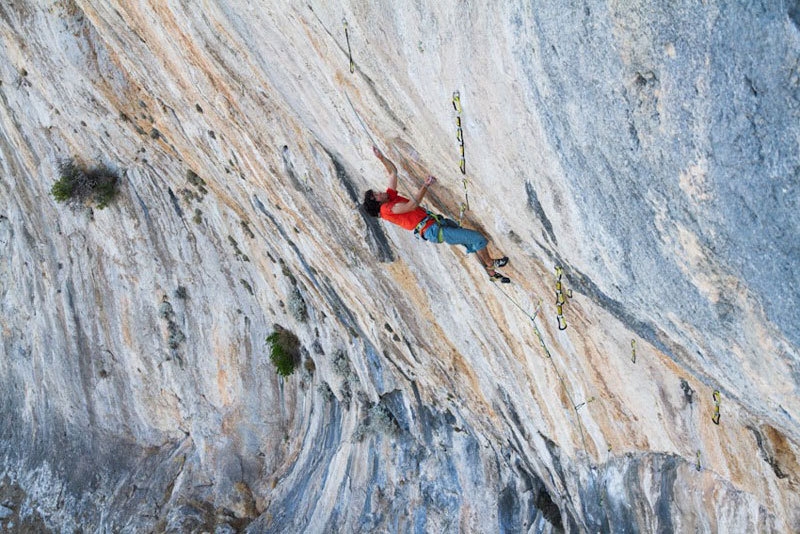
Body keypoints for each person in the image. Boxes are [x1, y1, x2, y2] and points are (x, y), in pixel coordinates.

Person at [362, 146, 510, 283]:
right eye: (376, 195)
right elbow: (412, 205)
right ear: (377, 203)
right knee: (476, 238)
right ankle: (491, 264)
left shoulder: (389, 197)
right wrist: (425, 185)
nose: (379, 192)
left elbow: (393, 172)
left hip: (435, 224)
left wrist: (381, 158)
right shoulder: (387, 209)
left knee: (468, 240)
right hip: (434, 230)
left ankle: (491, 274)